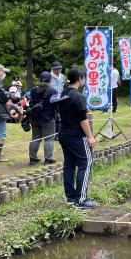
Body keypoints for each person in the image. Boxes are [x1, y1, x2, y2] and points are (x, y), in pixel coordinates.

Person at [55, 68, 96, 208]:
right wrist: (90, 137)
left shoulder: (63, 93)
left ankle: (70, 197)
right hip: (76, 135)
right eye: (83, 78)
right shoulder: (79, 97)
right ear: (79, 78)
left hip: (63, 132)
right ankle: (81, 199)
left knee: (69, 165)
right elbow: (83, 120)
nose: (84, 80)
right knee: (86, 163)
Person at [28, 71, 59, 165]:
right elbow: (56, 106)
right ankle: (48, 159)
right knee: (49, 139)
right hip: (48, 118)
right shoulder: (52, 91)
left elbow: (31, 103)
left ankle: (33, 158)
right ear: (50, 80)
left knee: (35, 138)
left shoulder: (33, 90)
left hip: (35, 117)